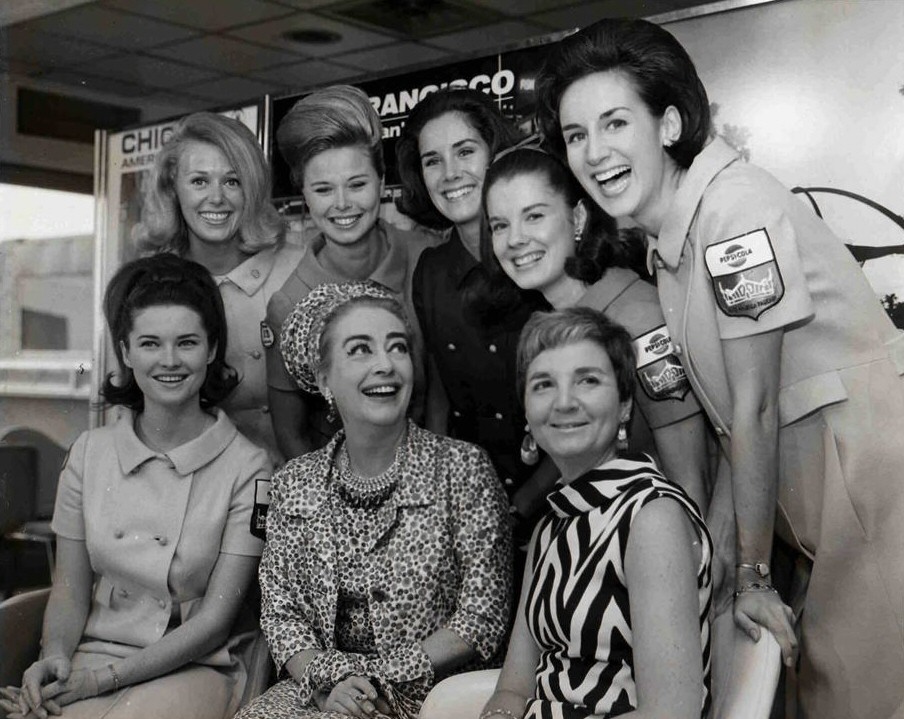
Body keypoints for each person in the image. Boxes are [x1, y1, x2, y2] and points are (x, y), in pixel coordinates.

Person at [536, 17, 904, 718]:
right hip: (829, 511)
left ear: (669, 123)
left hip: (877, 495)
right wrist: (725, 563)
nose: (594, 151)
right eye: (576, 134)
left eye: (615, 123)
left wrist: (754, 573)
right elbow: (736, 426)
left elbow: (757, 404)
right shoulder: (674, 240)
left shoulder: (734, 212)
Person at [0, 255, 270, 719]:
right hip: (91, 655)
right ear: (125, 353)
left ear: (211, 350)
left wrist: (102, 682)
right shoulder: (90, 453)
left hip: (196, 665)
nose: (169, 361)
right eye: (150, 343)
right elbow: (68, 590)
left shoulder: (251, 467)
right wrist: (56, 658)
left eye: (187, 342)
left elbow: (214, 621)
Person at [235, 281, 512, 719]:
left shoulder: (462, 468)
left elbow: (482, 618)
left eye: (397, 348)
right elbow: (281, 615)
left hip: (436, 697)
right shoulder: (293, 482)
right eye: (360, 350)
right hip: (324, 694)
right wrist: (329, 682)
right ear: (323, 378)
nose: (385, 365)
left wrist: (381, 676)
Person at [481, 307, 712, 719]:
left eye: (588, 380)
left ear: (624, 405)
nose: (564, 402)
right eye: (544, 385)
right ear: (528, 418)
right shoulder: (552, 525)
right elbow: (514, 688)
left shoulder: (650, 516)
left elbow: (671, 714)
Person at [483, 144, 712, 516]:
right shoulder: (549, 323)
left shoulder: (638, 317)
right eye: (500, 225)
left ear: (577, 219)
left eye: (534, 216)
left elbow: (690, 479)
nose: (515, 240)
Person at [396, 88, 550, 544]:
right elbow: (440, 401)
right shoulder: (431, 271)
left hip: (561, 497)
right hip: (472, 510)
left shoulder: (543, 255)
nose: (450, 174)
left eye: (465, 151)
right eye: (432, 161)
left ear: (495, 154)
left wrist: (519, 509)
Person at [266, 85, 437, 462]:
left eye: (357, 184)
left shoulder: (428, 258)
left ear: (381, 180)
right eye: (324, 189)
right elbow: (290, 434)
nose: (342, 204)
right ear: (304, 195)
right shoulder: (289, 303)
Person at [134, 112, 302, 465]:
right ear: (172, 189)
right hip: (200, 488)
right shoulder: (149, 285)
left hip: (304, 482)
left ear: (252, 188)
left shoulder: (300, 267)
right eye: (199, 181)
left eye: (232, 181)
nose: (217, 198)